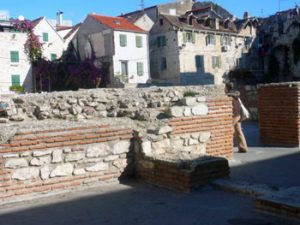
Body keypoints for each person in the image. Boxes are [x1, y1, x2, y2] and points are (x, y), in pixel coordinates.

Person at [225, 82, 248, 153]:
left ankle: (227, 148)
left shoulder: (229, 96)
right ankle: (243, 148)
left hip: (234, 116)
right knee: (239, 131)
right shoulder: (236, 95)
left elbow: (232, 108)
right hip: (238, 115)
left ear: (226, 88)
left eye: (224, 87)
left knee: (229, 130)